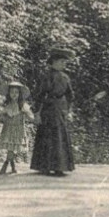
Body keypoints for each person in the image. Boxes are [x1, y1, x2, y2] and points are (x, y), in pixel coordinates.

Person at [30, 47, 75, 176]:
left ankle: (59, 167)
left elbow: (71, 95)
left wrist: (69, 110)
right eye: (61, 62)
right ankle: (45, 166)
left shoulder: (66, 77)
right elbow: (39, 94)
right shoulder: (46, 76)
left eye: (64, 62)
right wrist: (37, 112)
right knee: (47, 135)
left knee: (59, 135)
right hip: (48, 108)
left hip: (60, 108)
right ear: (53, 62)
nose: (63, 64)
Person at [0, 80, 35, 175]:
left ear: (20, 94)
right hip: (8, 128)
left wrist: (26, 113)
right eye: (12, 92)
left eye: (16, 92)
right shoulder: (7, 106)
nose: (14, 94)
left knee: (13, 147)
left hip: (18, 129)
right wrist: (2, 116)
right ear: (9, 94)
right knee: (10, 147)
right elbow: (1, 117)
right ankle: (12, 166)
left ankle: (6, 164)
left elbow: (31, 117)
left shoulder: (23, 105)